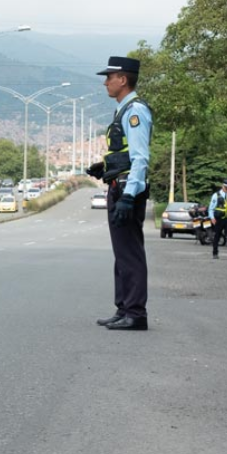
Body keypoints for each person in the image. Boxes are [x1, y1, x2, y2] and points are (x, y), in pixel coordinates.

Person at [87, 56, 153, 331]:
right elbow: (125, 153)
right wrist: (106, 168)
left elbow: (140, 158)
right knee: (122, 254)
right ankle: (123, 308)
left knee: (130, 254)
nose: (105, 82)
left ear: (122, 80)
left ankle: (136, 314)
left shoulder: (135, 111)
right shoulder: (124, 110)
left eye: (109, 77)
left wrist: (128, 196)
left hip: (128, 191)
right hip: (120, 185)